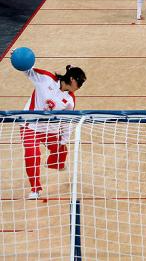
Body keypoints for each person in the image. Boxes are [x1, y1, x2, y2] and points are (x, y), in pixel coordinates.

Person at [18, 62, 86, 200]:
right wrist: (19, 59)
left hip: (50, 128)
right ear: (72, 80)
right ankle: (35, 189)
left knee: (62, 151)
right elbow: (28, 71)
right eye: (80, 83)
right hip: (29, 125)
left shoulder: (69, 100)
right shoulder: (46, 78)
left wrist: (64, 139)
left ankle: (56, 164)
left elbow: (67, 120)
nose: (80, 87)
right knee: (32, 155)